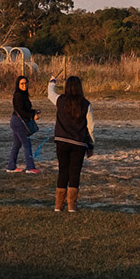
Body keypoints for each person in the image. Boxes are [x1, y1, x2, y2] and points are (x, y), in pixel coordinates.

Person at [47, 74, 95, 212]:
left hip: (62, 141)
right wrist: (91, 145)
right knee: (75, 172)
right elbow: (91, 127)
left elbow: (50, 94)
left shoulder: (60, 100)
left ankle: (58, 205)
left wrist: (52, 82)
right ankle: (72, 205)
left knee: (63, 171)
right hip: (79, 143)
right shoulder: (86, 104)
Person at [7, 74, 41, 173]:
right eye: (22, 83)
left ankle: (11, 166)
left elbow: (25, 109)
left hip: (17, 121)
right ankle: (30, 167)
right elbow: (20, 111)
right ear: (18, 84)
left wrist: (34, 111)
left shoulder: (24, 94)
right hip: (18, 122)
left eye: (26, 83)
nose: (24, 85)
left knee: (16, 145)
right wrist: (32, 116)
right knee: (27, 144)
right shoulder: (18, 95)